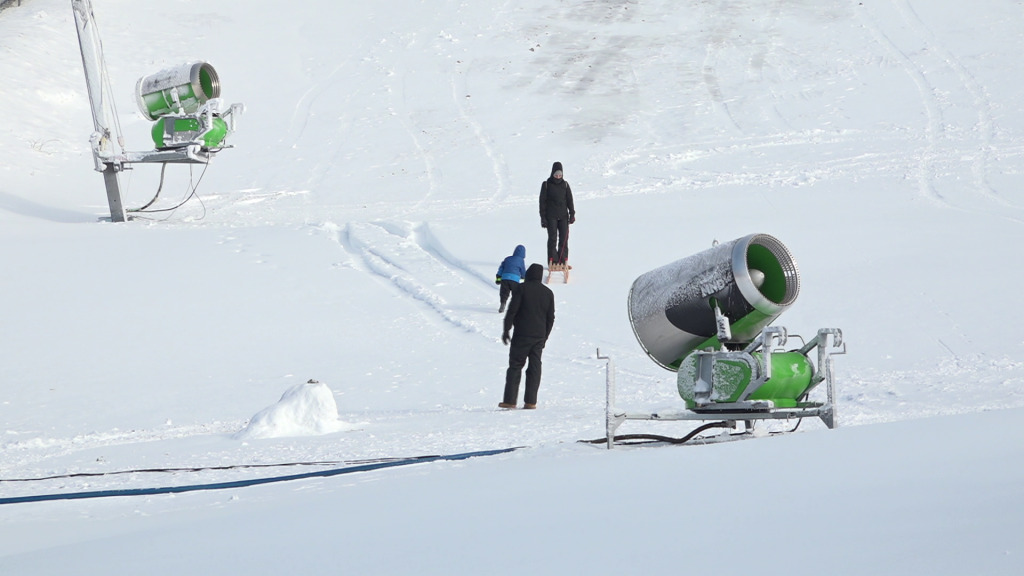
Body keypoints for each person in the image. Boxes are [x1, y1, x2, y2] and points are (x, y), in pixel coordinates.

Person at [499, 263, 555, 409]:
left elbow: (512, 310)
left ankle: (510, 401)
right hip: (539, 336)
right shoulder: (548, 293)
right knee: (535, 368)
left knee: (515, 366)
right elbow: (550, 318)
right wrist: (545, 337)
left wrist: (506, 329)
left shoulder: (521, 289)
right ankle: (531, 402)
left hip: (522, 334)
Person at [538, 161, 576, 266]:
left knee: (564, 239)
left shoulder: (565, 184)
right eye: (556, 175)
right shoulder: (546, 185)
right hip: (551, 217)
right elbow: (542, 202)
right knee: (552, 239)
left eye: (560, 175)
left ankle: (563, 261)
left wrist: (572, 214)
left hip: (563, 216)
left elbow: (570, 200)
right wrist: (543, 218)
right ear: (552, 173)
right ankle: (553, 261)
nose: (558, 177)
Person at [495, 244, 526, 313]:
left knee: (504, 292)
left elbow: (501, 268)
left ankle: (503, 303)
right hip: (515, 280)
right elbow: (522, 270)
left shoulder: (507, 259)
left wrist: (498, 277)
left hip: (505, 278)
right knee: (516, 294)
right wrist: (524, 277)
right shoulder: (521, 261)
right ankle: (514, 307)